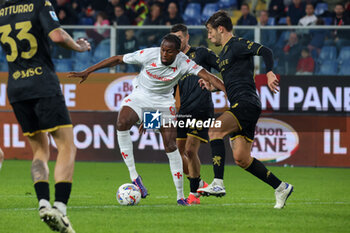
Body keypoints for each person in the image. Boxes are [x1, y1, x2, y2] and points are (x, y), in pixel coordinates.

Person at [68, 34, 225, 206]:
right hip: (140, 96)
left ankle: (181, 196)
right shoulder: (149, 54)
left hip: (164, 103)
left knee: (171, 146)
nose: (164, 54)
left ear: (178, 52)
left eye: (169, 52)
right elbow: (118, 59)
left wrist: (227, 90)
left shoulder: (184, 62)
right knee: (122, 123)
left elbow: (209, 76)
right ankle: (135, 177)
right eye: (163, 50)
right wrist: (88, 71)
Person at [0, 0, 90, 231]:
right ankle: (60, 208)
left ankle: (42, 204)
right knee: (66, 146)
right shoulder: (39, 4)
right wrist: (79, 47)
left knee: (39, 150)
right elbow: (58, 36)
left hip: (16, 87)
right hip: (42, 83)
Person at [197, 10, 293, 209]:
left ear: (220, 29)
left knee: (215, 129)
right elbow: (233, 81)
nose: (209, 36)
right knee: (241, 158)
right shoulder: (223, 54)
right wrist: (213, 87)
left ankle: (217, 183)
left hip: (246, 103)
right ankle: (281, 187)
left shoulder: (238, 44)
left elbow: (266, 51)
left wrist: (269, 73)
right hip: (241, 104)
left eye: (210, 31)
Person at [170, 24, 220, 204]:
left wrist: (215, 86)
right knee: (176, 152)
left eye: (179, 37)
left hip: (202, 109)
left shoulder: (202, 53)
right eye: (173, 38)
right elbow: (169, 91)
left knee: (191, 150)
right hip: (184, 111)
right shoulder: (174, 62)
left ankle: (193, 195)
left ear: (187, 37)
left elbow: (223, 67)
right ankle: (198, 181)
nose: (177, 41)